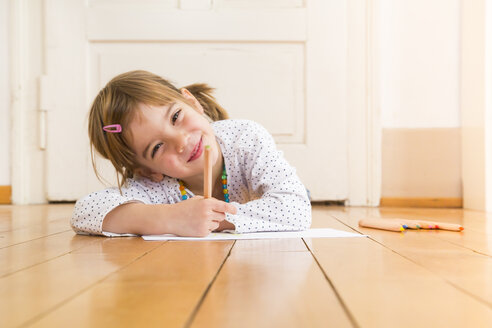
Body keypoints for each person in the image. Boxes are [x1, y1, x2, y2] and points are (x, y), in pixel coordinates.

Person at [71, 70, 311, 237]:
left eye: (176, 116)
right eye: (157, 147)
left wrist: (211, 220)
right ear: (148, 170)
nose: (181, 141)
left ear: (192, 102)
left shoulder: (244, 138)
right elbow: (84, 213)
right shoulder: (155, 185)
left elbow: (296, 209)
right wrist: (172, 219)